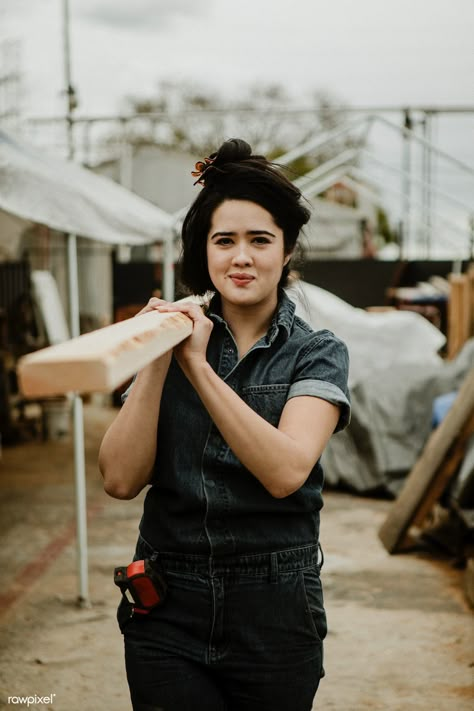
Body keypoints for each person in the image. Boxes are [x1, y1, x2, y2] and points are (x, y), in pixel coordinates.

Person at [99, 138, 351, 711]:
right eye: (224, 241)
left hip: (275, 607)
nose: (242, 257)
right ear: (204, 252)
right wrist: (160, 359)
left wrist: (198, 367)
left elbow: (286, 470)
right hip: (166, 603)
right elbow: (118, 479)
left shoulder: (317, 354)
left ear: (286, 251)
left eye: (260, 240)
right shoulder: (168, 340)